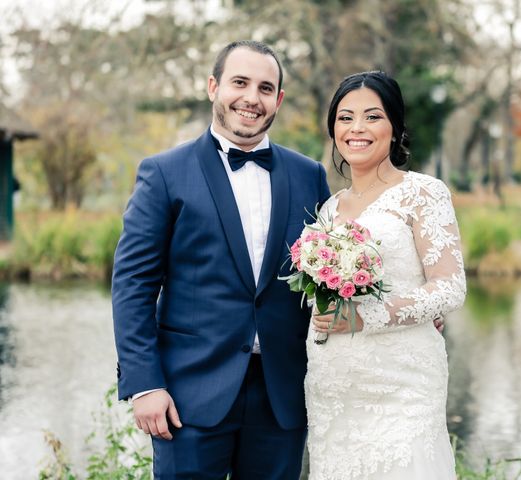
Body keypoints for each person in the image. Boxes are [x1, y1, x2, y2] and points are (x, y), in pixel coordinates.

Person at [112, 40, 331, 479]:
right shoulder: (164, 173)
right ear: (213, 86)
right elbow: (133, 285)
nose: (252, 98)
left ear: (278, 101)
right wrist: (145, 385)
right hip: (187, 397)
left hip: (282, 397)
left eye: (265, 88)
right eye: (240, 82)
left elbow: (329, 278)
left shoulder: (310, 176)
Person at [304, 71, 466, 479]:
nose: (357, 128)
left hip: (401, 386)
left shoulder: (423, 193)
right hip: (333, 387)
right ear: (333, 129)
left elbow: (449, 287)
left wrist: (366, 316)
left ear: (394, 129)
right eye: (345, 118)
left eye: (372, 116)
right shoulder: (328, 210)